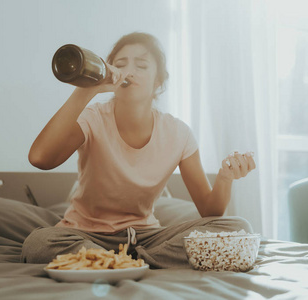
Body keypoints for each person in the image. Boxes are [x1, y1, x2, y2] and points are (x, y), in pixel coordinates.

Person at [21, 32, 256, 269]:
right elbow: (40, 158)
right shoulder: (93, 118)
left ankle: (116, 263)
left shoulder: (178, 133)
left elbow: (210, 210)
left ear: (158, 81)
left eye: (141, 65)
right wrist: (87, 89)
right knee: (39, 242)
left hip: (146, 239)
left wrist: (225, 179)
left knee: (237, 228)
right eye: (120, 64)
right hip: (86, 236)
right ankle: (122, 261)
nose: (129, 71)